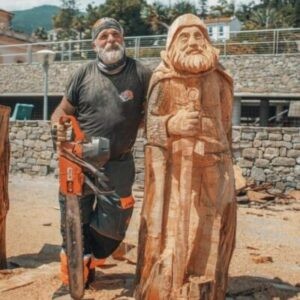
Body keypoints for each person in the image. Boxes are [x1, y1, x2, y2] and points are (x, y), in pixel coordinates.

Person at [135, 14, 236, 300]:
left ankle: (208, 285)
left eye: (198, 36)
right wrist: (171, 124)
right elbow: (149, 125)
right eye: (185, 36)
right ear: (172, 42)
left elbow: (227, 122)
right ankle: (168, 285)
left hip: (215, 165)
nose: (193, 42)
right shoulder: (163, 78)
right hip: (176, 172)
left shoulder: (220, 77)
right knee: (174, 230)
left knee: (211, 227)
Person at [51, 17, 152, 298]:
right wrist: (58, 128)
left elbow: (156, 110)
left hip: (119, 162)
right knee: (73, 221)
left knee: (116, 219)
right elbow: (62, 112)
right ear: (95, 43)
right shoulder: (83, 74)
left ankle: (91, 257)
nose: (110, 40)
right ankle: (73, 279)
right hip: (78, 161)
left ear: (123, 39)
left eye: (115, 35)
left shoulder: (141, 74)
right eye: (104, 36)